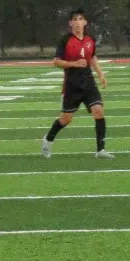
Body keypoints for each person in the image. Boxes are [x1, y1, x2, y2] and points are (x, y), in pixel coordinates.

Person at [42, 9, 112, 159]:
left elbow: (92, 57)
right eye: (75, 20)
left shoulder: (90, 39)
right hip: (72, 85)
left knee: (98, 111)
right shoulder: (65, 40)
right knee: (66, 119)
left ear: (85, 22)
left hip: (88, 83)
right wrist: (73, 63)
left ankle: (100, 150)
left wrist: (101, 75)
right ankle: (48, 139)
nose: (78, 22)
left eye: (81, 19)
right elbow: (56, 62)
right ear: (70, 23)